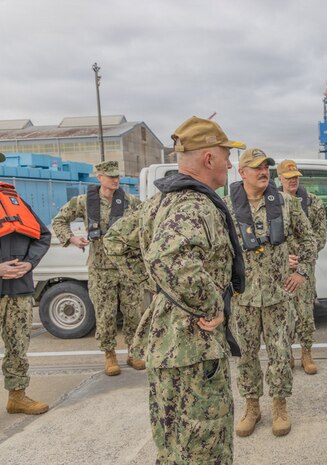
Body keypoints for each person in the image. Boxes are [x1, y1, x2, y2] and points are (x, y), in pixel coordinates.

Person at [134, 116, 246, 463]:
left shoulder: (158, 202)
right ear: (208, 159)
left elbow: (119, 244)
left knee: (174, 445)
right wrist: (212, 306)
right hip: (192, 350)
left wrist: (160, 295)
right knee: (203, 449)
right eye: (226, 154)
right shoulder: (195, 205)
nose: (231, 163)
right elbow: (168, 259)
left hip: (171, 348)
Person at [227, 148, 315, 438]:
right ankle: (252, 407)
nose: (263, 171)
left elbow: (308, 239)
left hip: (278, 297)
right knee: (247, 355)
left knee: (279, 353)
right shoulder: (227, 208)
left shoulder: (287, 204)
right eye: (256, 167)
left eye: (266, 166)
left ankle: (280, 406)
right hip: (244, 299)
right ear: (242, 173)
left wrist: (300, 271)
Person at [52, 160, 143, 376]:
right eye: (110, 176)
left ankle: (134, 351)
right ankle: (109, 355)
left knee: (133, 312)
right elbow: (59, 221)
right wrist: (71, 238)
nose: (115, 180)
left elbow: (147, 221)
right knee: (105, 314)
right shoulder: (84, 202)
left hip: (127, 268)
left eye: (117, 176)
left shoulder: (130, 201)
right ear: (99, 177)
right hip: (101, 269)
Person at [0, 153, 52, 415]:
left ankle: (17, 396)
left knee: (18, 345)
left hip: (18, 289)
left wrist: (30, 263)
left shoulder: (14, 201)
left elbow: (43, 235)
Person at [276, 159, 327, 375]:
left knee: (305, 313)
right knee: (282, 313)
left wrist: (302, 260)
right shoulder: (272, 204)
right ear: (279, 179)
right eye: (288, 178)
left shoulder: (313, 203)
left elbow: (320, 237)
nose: (293, 180)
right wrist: (282, 257)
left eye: (296, 176)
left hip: (304, 269)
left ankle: (306, 353)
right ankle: (286, 353)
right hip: (280, 269)